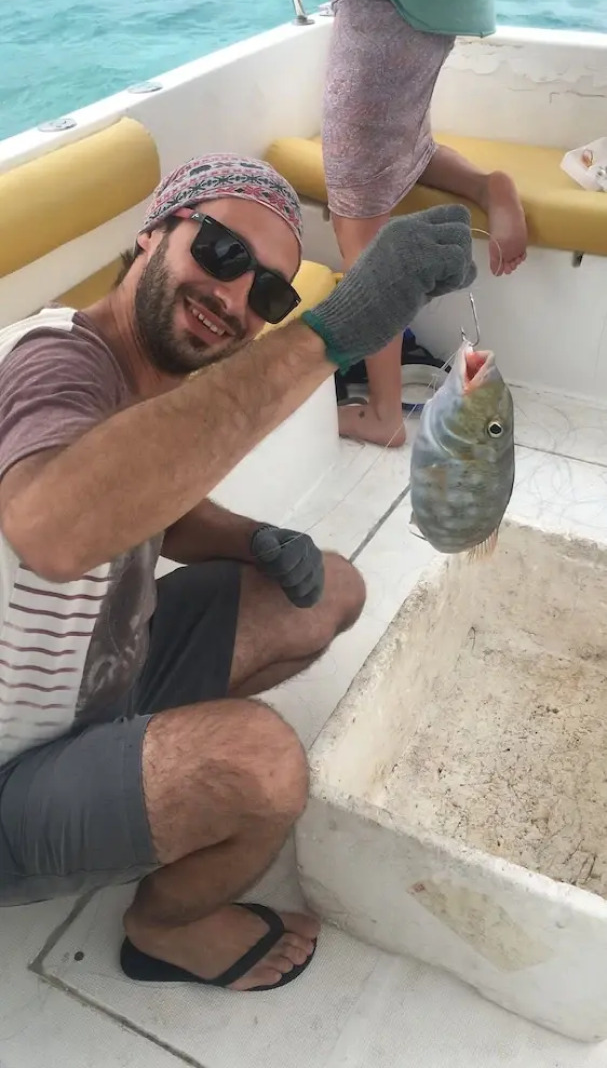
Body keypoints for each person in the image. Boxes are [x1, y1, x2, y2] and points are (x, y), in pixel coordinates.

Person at [0, 153, 475, 993]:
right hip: (11, 770)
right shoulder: (53, 363)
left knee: (329, 587)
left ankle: (133, 777)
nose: (232, 299)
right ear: (153, 232)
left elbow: (149, 507)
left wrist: (253, 539)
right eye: (219, 253)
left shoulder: (153, 375)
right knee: (262, 767)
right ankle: (163, 928)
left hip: (96, 683)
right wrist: (325, 334)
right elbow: (53, 529)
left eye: (269, 295)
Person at [322, 0, 528, 447]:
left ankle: (382, 414)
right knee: (404, 145)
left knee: (360, 228)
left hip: (388, 4)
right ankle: (483, 184)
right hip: (427, 4)